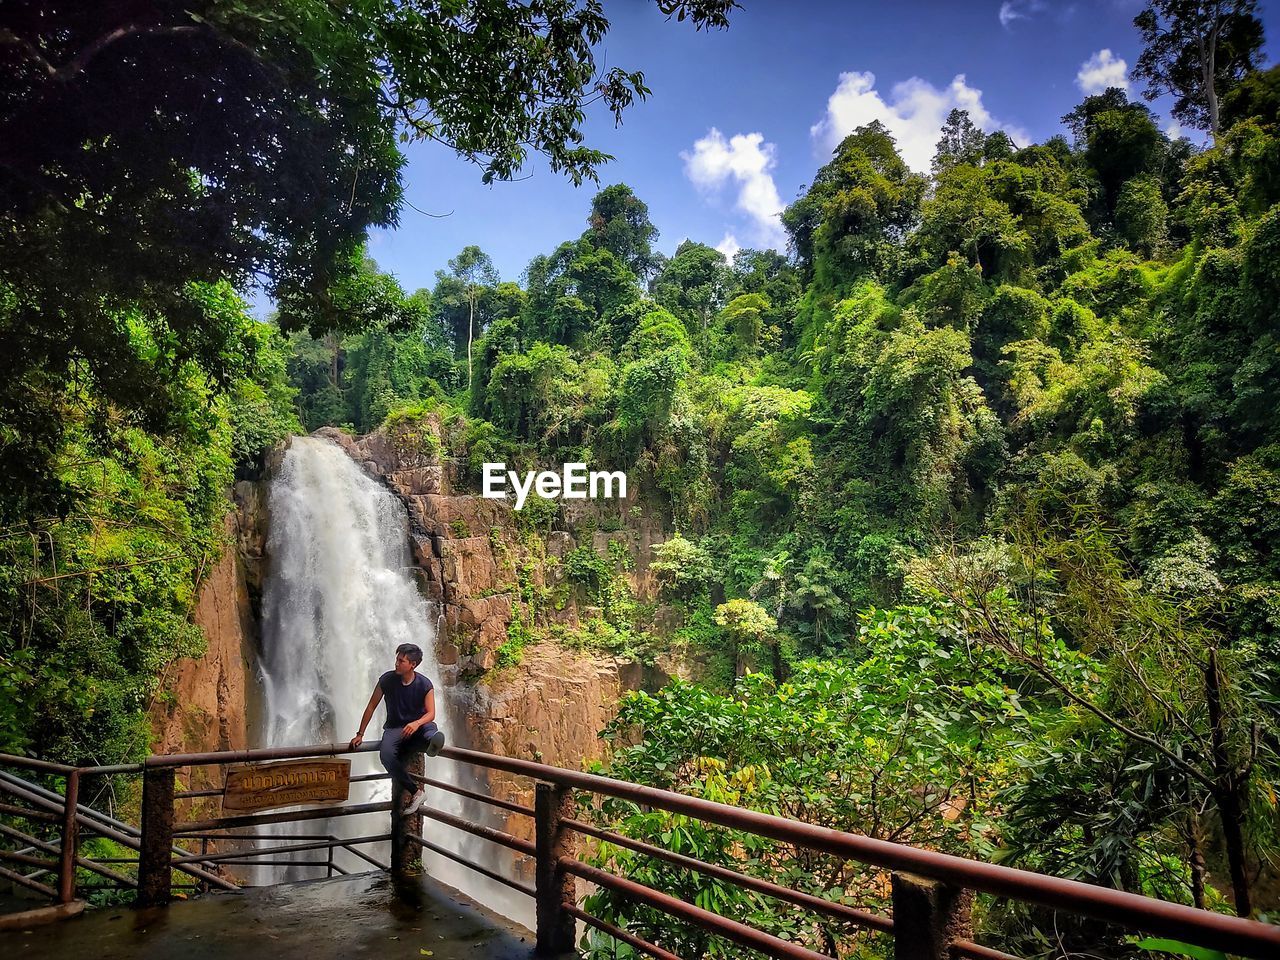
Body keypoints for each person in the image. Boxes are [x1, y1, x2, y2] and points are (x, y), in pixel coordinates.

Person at [349, 643, 445, 815]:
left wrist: (416, 723)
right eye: (397, 659)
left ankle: (433, 741)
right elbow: (371, 706)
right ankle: (417, 792)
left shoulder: (425, 684)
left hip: (418, 726)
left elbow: (431, 713)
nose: (396, 663)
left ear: (412, 665)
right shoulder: (386, 680)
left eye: (401, 661)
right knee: (385, 755)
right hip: (395, 729)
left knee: (428, 729)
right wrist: (360, 734)